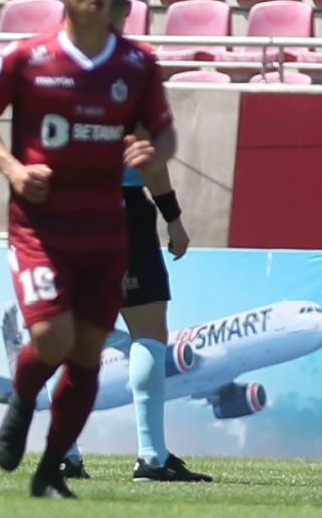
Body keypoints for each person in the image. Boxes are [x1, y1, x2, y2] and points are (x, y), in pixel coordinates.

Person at [0, 0, 177, 499]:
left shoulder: (138, 65)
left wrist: (157, 155)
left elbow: (166, 132)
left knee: (87, 352)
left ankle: (52, 466)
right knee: (53, 337)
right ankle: (21, 401)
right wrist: (11, 167)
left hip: (108, 228)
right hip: (41, 227)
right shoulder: (28, 58)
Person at [60, 161, 212, 482]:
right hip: (120, 208)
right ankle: (152, 458)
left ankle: (63, 456)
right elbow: (150, 162)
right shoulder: (130, 108)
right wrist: (174, 219)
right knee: (147, 333)